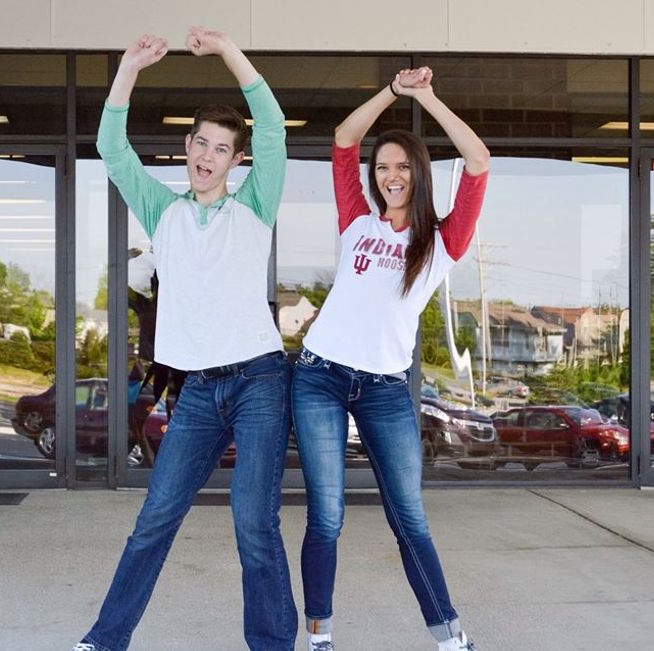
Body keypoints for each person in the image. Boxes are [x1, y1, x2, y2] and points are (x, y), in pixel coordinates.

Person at [73, 27, 297, 651]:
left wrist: (228, 52)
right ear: (187, 146)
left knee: (254, 524)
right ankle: (104, 640)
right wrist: (127, 69)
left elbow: (273, 129)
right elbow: (111, 148)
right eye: (201, 143)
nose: (208, 156)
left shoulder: (254, 207)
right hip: (198, 391)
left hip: (258, 381)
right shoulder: (162, 211)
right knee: (154, 519)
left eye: (222, 149)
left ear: (234, 162)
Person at [292, 66, 490, 651]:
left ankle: (450, 637)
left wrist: (426, 98)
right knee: (327, 516)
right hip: (320, 377)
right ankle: (320, 636)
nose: (391, 176)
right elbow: (343, 139)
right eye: (382, 167)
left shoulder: (442, 240)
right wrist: (391, 91)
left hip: (384, 389)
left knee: (409, 518)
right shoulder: (356, 220)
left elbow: (478, 162)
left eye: (402, 166)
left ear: (419, 173)